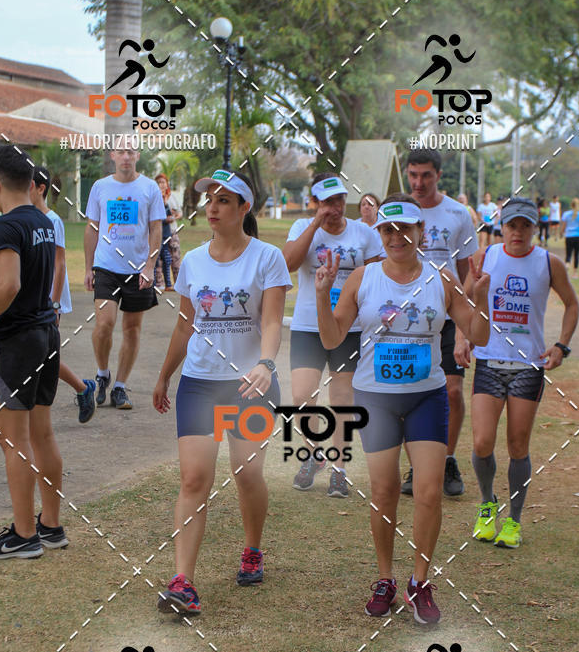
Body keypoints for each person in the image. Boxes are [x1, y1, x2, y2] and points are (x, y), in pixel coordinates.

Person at [315, 195, 490, 623]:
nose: (397, 237)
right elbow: (333, 338)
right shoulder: (363, 278)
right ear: (380, 234)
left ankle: (419, 581)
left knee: (429, 493)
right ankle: (386, 579)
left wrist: (479, 297)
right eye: (388, 230)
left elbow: (480, 335)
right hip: (375, 398)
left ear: (421, 233)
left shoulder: (440, 279)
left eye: (405, 229)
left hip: (425, 398)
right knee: (383, 493)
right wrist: (322, 294)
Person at [154, 170, 291, 614]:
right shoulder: (192, 261)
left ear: (244, 208)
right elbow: (185, 323)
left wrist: (266, 364)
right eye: (209, 200)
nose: (212, 207)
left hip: (248, 386)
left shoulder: (267, 258)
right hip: (199, 382)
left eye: (224, 200)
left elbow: (271, 321)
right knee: (194, 479)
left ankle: (252, 549)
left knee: (246, 474)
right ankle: (183, 582)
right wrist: (164, 376)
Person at [455, 198, 579, 549]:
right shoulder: (486, 257)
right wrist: (462, 338)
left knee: (517, 445)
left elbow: (572, 303)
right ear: (502, 227)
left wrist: (561, 346)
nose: (518, 232)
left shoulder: (548, 262)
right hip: (489, 362)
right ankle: (487, 503)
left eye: (525, 225)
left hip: (528, 367)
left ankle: (513, 520)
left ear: (535, 228)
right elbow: (463, 299)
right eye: (512, 225)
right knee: (481, 443)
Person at [0, 144, 67, 558]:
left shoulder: (2, 228)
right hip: (45, 334)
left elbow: (9, 285)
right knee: (42, 434)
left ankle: (23, 536)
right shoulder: (44, 220)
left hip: (16, 342)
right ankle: (50, 525)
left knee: (12, 440)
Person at [284, 173, 382, 497]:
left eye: (339, 200)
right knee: (301, 399)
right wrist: (315, 225)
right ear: (316, 203)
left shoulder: (364, 233)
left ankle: (339, 470)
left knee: (342, 401)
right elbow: (288, 262)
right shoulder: (302, 229)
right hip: (308, 326)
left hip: (348, 328)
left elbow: (380, 275)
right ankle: (314, 454)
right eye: (327, 202)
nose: (335, 207)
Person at [403, 148, 479, 496]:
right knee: (409, 393)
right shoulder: (400, 210)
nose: (419, 183)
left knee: (451, 390)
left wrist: (465, 329)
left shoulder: (457, 213)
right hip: (408, 317)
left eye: (426, 176)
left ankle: (447, 459)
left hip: (447, 316)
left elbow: (468, 274)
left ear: (438, 175)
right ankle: (417, 466)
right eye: (413, 175)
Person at [84, 147, 165, 410]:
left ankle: (119, 386)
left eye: (131, 151)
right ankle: (102, 372)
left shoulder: (150, 188)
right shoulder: (100, 187)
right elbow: (92, 227)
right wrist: (88, 267)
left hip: (137, 269)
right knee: (104, 324)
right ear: (113, 156)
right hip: (106, 267)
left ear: (138, 155)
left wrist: (149, 266)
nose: (126, 156)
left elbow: (156, 229)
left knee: (131, 329)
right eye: (121, 151)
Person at [30, 167, 96, 423]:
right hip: (33, 300)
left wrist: (54, 304)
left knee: (46, 355)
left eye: (27, 184)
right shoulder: (26, 218)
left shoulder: (52, 220)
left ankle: (83, 388)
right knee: (43, 355)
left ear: (40, 188)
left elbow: (60, 264)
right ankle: (82, 387)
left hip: (49, 301)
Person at [154, 172, 182, 285]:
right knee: (159, 259)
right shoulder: (154, 197)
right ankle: (160, 284)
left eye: (163, 182)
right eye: (159, 182)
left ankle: (178, 284)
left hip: (172, 232)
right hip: (159, 233)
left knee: (175, 258)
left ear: (167, 184)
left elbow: (180, 213)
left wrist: (174, 217)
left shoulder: (172, 197)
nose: (161, 185)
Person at [560, 197, 579, 280]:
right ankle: (575, 273)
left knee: (568, 254)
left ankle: (567, 265)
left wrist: (561, 233)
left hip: (569, 236)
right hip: (578, 236)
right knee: (576, 254)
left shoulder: (566, 214)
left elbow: (563, 226)